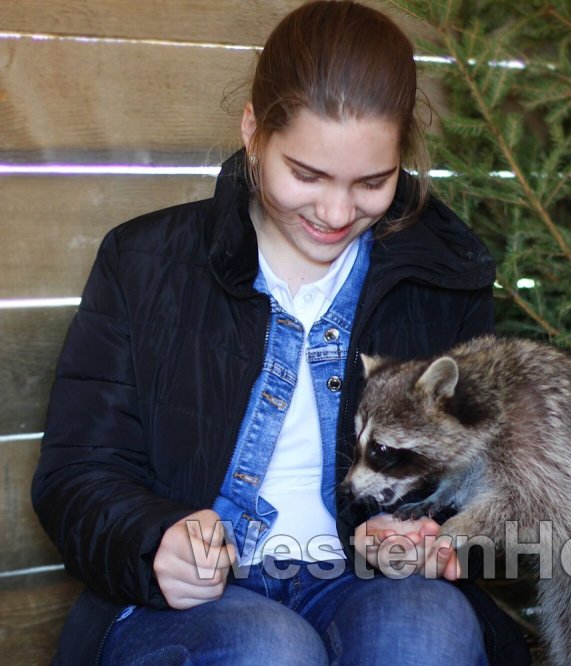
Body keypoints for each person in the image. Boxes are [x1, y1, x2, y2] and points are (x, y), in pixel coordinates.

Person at [31, 1, 530, 664]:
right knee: (270, 648)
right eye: (308, 175)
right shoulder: (142, 260)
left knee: (427, 630)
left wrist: (414, 526)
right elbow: (77, 473)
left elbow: (473, 472)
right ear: (253, 133)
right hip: (200, 606)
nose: (335, 212)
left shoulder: (445, 273)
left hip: (356, 584)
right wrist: (154, 544)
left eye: (372, 182)